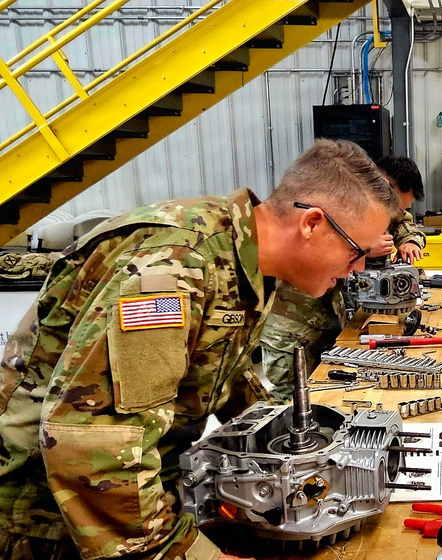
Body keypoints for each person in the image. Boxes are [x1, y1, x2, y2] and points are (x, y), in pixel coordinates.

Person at [0, 139, 398, 560]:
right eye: (357, 252)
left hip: (137, 498)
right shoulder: (172, 269)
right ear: (312, 224)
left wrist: (294, 439)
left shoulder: (241, 257)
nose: (357, 269)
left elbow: (220, 372)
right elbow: (94, 448)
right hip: (51, 522)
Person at [259, 154, 427, 401]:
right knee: (292, 392)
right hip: (292, 321)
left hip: (331, 311)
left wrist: (409, 241)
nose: (357, 268)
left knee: (325, 385)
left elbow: (405, 225)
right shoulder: (333, 200)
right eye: (354, 251)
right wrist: (368, 249)